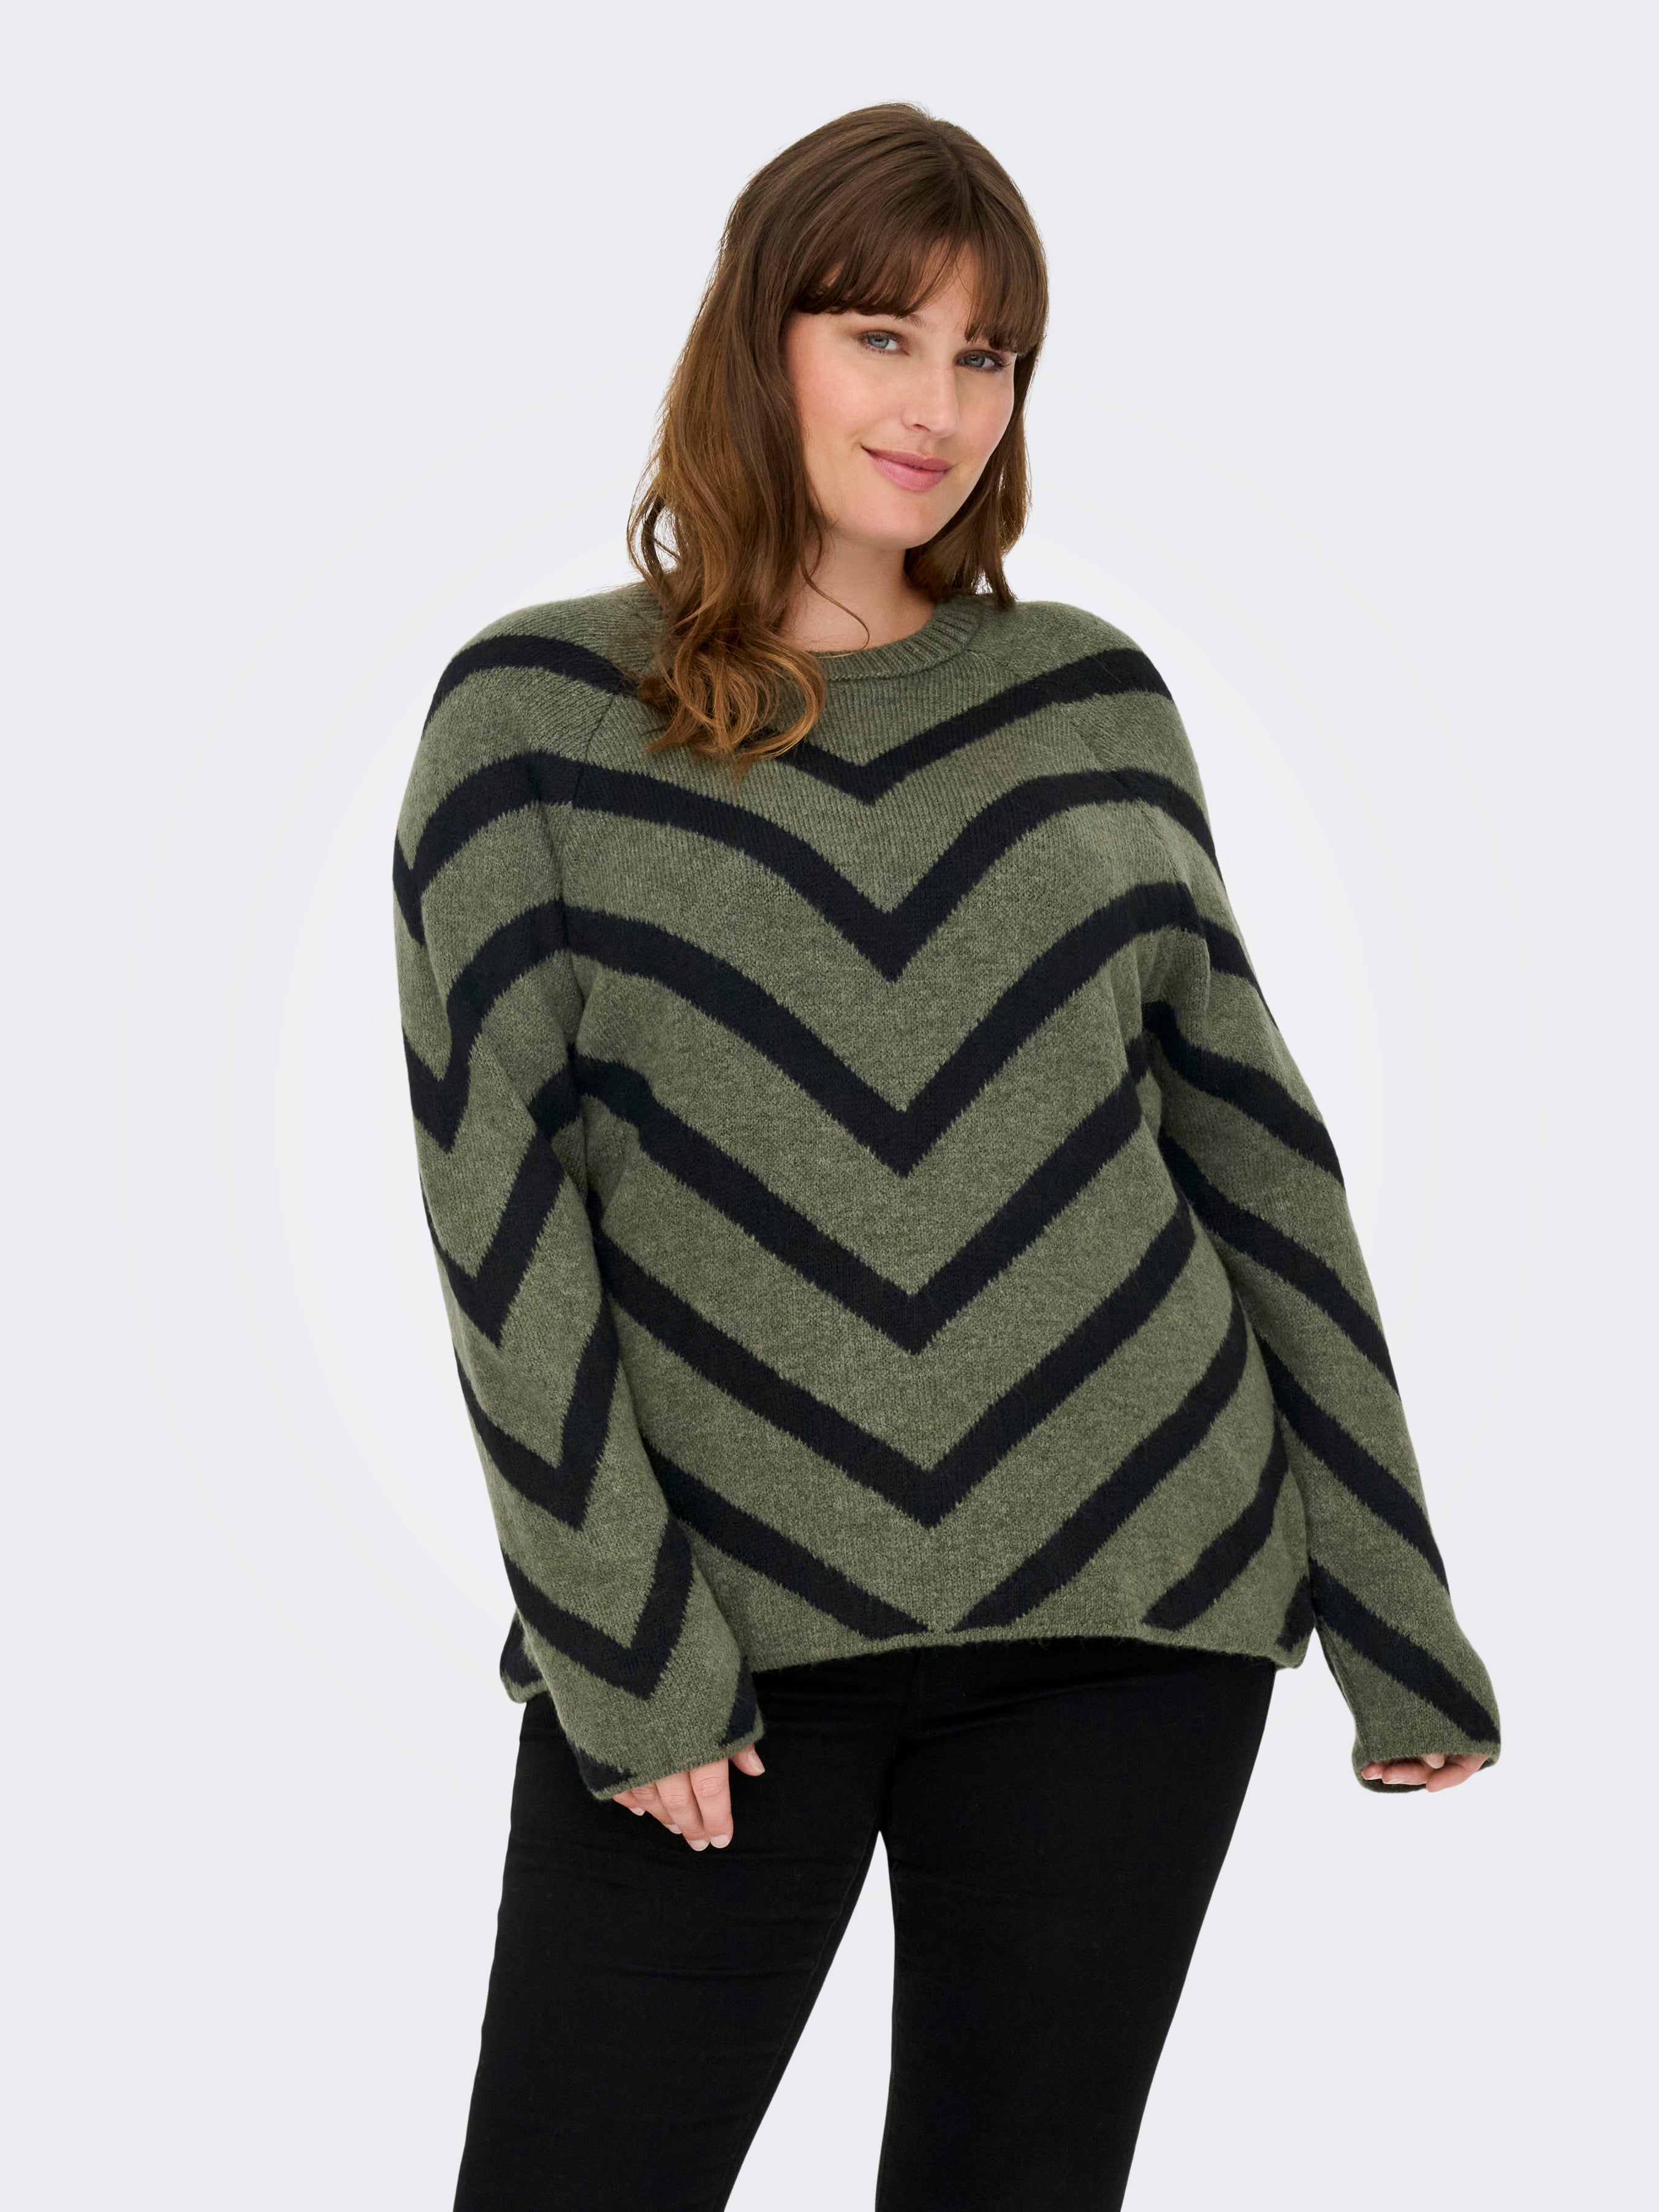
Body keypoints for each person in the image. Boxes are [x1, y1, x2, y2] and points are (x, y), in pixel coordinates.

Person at [394, 102, 1500, 2212]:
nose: (938, 405)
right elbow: (495, 1203)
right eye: (880, 335)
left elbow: (1257, 1161)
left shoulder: (1084, 696)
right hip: (721, 1648)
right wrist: (625, 1651)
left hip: (1135, 1605)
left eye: (986, 356)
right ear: (759, 340)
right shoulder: (531, 714)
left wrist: (1396, 1614)